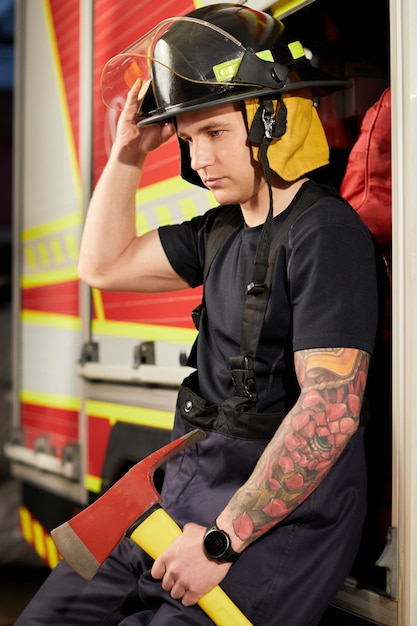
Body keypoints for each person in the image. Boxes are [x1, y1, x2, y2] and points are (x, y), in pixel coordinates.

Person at [16, 4, 385, 625]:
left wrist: (221, 540)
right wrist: (129, 154)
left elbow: (329, 413)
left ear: (271, 120)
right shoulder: (220, 230)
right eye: (189, 141)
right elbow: (101, 267)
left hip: (267, 525)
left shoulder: (326, 234)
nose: (200, 158)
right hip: (181, 489)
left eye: (215, 133)